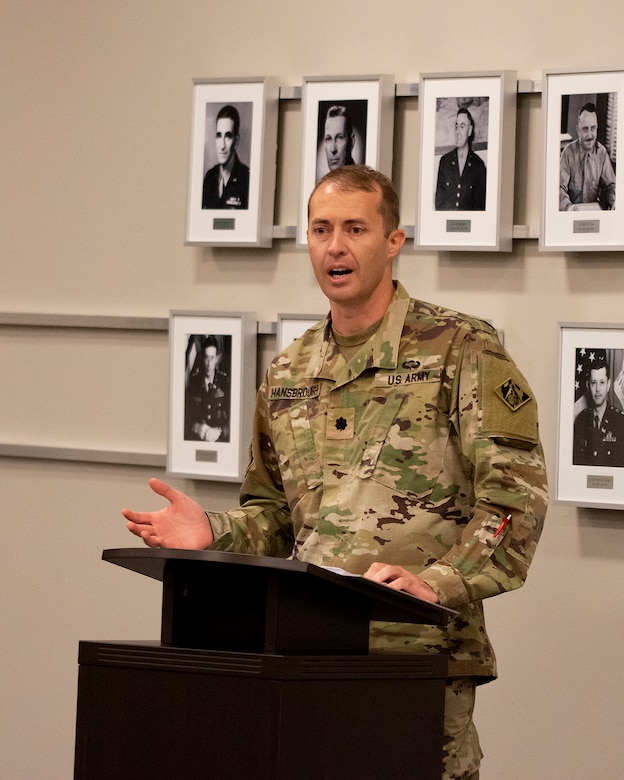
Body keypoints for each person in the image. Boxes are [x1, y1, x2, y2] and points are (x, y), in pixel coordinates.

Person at [123, 165, 548, 780]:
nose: (336, 247)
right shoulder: (289, 371)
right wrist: (213, 533)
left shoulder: (460, 348)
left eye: (355, 229)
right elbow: (274, 519)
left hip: (417, 657)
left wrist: (440, 581)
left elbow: (517, 500)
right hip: (304, 660)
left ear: (393, 241)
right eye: (321, 230)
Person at [559, 102, 616, 212]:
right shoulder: (568, 153)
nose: (590, 135)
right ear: (578, 130)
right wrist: (568, 206)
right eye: (585, 129)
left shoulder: (602, 153)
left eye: (593, 128)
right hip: (572, 215)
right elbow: (559, 188)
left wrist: (615, 199)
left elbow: (611, 186)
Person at [573, 356, 624, 466]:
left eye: (602, 382)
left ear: (609, 385)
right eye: (593, 383)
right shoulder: (581, 421)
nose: (597, 389)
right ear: (588, 385)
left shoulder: (620, 422)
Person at [435, 107, 486, 211]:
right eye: (456, 126)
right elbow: (439, 203)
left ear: (470, 130)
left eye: (462, 127)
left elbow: (480, 207)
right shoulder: (445, 162)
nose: (458, 132)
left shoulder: (478, 165)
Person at [202, 105, 249, 210]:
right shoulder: (209, 178)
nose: (222, 145)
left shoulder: (247, 179)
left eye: (228, 136)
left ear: (236, 141)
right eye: (219, 135)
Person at [184, 335, 230, 443]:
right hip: (197, 442)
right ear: (202, 358)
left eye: (212, 358)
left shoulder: (225, 383)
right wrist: (196, 427)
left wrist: (221, 431)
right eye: (206, 358)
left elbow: (235, 418)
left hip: (220, 442)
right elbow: (184, 417)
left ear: (217, 359)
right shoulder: (193, 384)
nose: (209, 363)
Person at [323, 105, 356, 171]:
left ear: (352, 142)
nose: (333, 149)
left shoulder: (361, 180)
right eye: (328, 139)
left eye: (339, 138)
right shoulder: (324, 181)